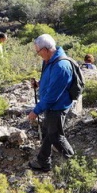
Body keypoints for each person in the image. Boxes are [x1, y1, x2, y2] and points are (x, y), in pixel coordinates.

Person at [28, 34, 77, 172]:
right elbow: (50, 81)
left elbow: (52, 96)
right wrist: (39, 84)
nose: (38, 55)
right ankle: (43, 162)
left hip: (57, 106)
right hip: (51, 105)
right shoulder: (49, 60)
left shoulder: (61, 66)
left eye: (38, 52)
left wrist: (36, 111)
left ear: (46, 49)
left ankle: (74, 165)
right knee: (47, 132)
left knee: (56, 137)